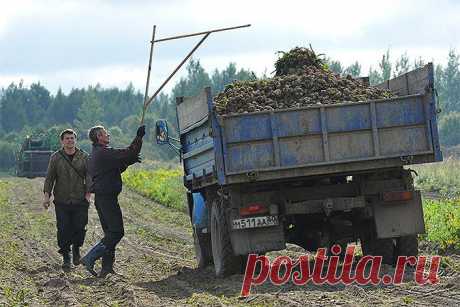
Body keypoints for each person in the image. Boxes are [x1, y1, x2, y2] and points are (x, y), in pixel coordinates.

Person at [81, 125, 145, 278]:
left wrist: (130, 160)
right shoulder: (103, 152)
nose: (108, 135)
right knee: (117, 232)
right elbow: (128, 152)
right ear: (98, 137)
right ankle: (90, 257)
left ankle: (106, 269)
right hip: (107, 199)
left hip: (103, 198)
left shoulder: (99, 153)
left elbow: (117, 165)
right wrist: (139, 137)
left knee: (110, 233)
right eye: (105, 133)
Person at [43, 129, 91, 271]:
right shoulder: (56, 157)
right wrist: (47, 196)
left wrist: (88, 194)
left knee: (80, 227)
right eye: (67, 138)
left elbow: (89, 176)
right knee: (63, 229)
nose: (70, 140)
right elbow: (50, 177)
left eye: (72, 138)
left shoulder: (84, 157)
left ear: (75, 140)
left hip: (80, 199)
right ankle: (66, 257)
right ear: (62, 141)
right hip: (62, 200)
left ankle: (76, 249)